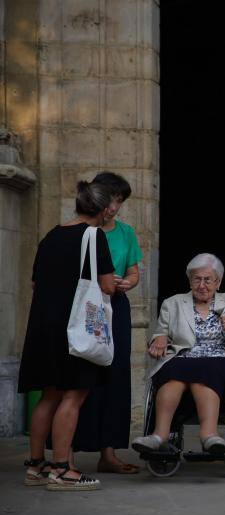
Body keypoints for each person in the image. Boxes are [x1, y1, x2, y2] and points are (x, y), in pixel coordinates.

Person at [18, 181, 116, 491]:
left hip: (43, 325)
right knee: (73, 395)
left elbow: (36, 283)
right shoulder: (94, 236)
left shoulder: (51, 236)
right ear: (101, 211)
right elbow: (108, 285)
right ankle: (62, 469)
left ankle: (36, 465)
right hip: (75, 330)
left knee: (49, 394)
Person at [132, 253, 225, 455]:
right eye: (197, 279)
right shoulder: (173, 303)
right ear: (189, 280)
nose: (202, 285)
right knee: (173, 374)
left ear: (218, 281)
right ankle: (158, 436)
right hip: (183, 357)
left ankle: (208, 435)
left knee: (204, 370)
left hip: (222, 359)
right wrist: (159, 338)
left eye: (208, 279)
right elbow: (161, 332)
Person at [71, 172, 142, 475]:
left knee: (115, 376)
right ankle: (68, 453)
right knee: (81, 374)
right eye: (113, 200)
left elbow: (134, 270)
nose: (115, 207)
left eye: (120, 201)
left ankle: (108, 453)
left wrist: (127, 282)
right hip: (88, 307)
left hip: (117, 307)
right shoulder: (80, 231)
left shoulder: (126, 232)